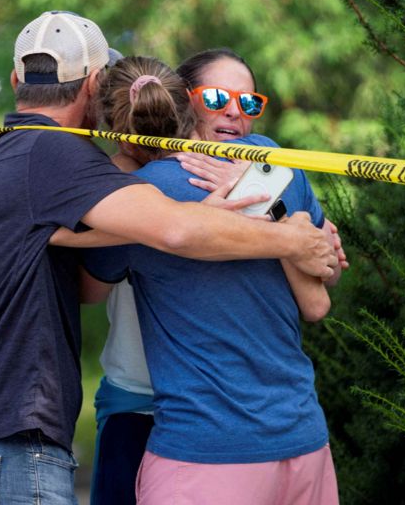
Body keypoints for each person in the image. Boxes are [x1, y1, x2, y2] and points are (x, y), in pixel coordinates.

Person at [0, 11, 337, 505]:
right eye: (216, 99)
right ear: (93, 84)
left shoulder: (18, 153)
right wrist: (295, 238)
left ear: (15, 81)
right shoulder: (59, 155)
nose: (234, 112)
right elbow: (175, 229)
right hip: (3, 447)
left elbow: (141, 230)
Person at [76, 53, 342, 505]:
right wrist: (281, 223)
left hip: (203, 448)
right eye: (218, 98)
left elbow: (89, 289)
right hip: (298, 434)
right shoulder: (277, 167)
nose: (235, 112)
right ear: (184, 101)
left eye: (249, 102)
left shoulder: (145, 193)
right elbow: (321, 289)